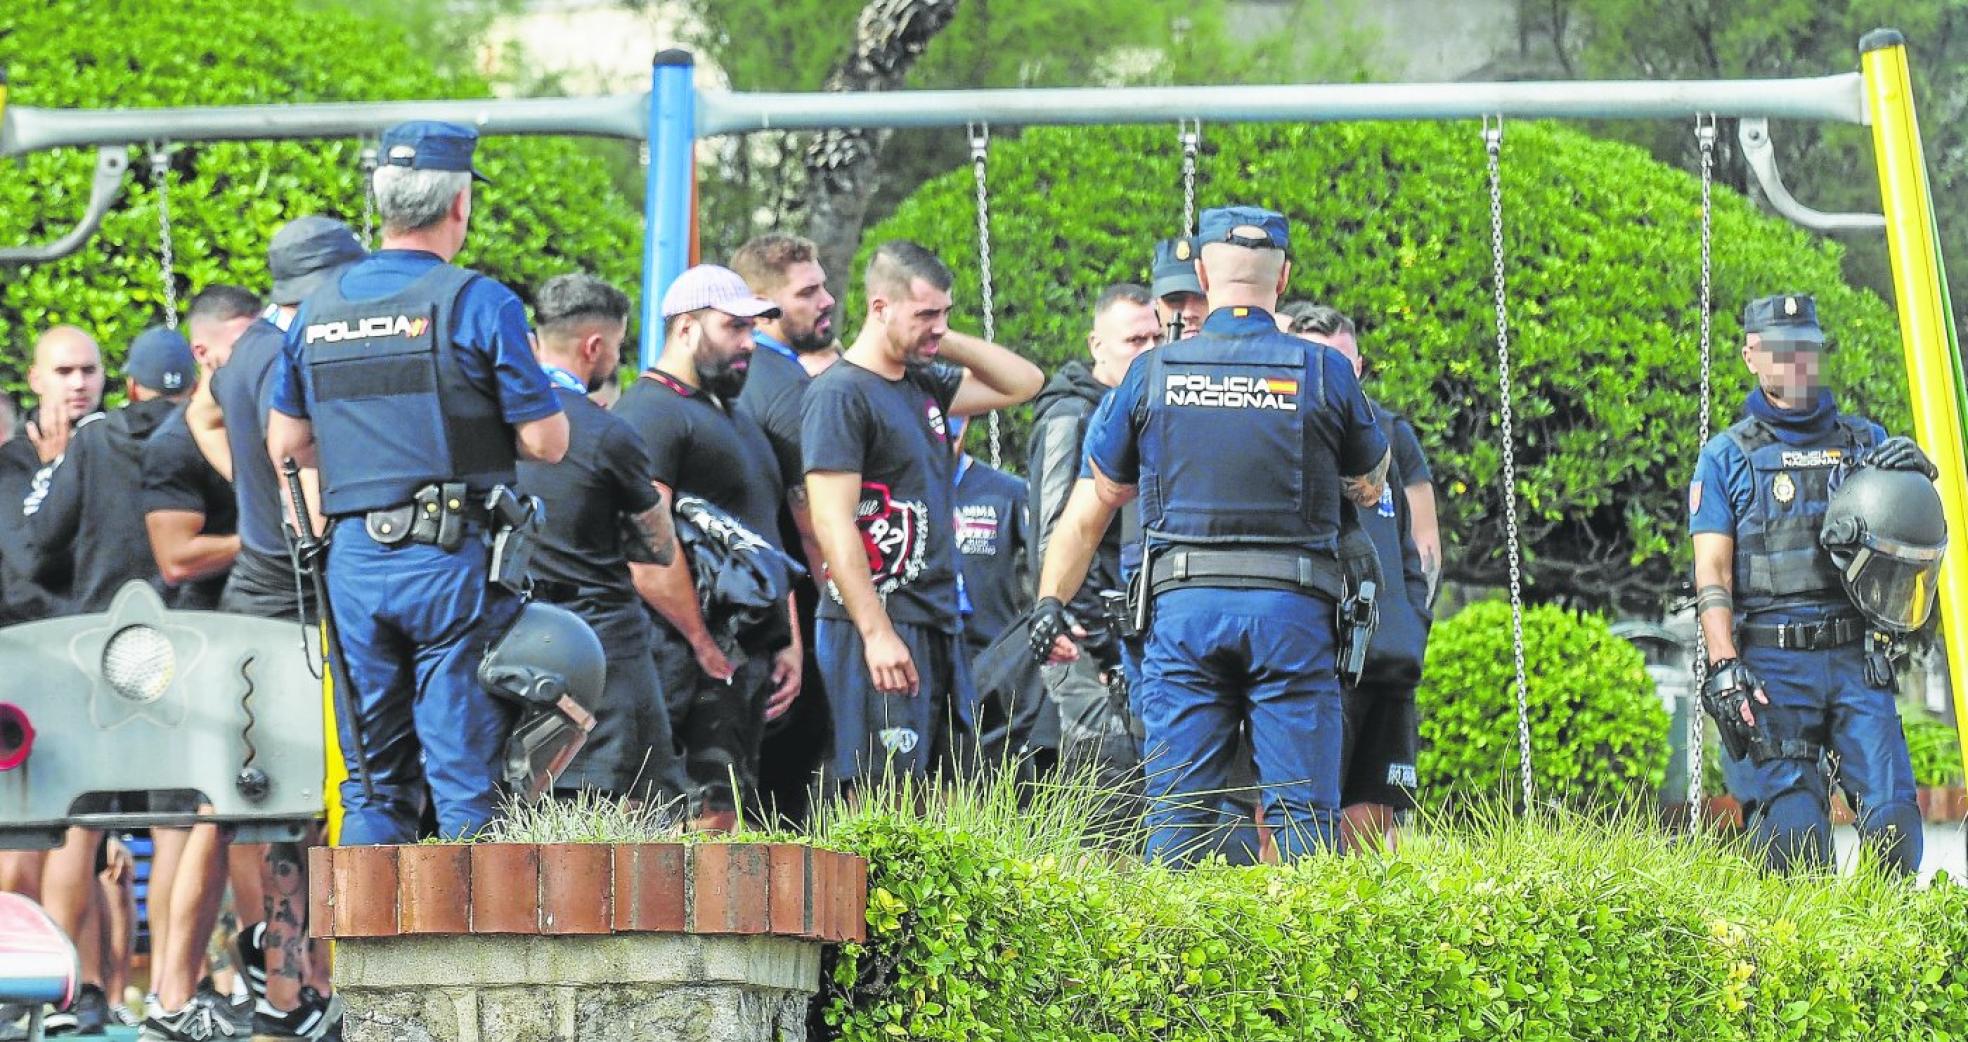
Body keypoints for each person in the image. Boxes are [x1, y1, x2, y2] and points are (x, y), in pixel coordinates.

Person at [1033, 206, 1390, 866]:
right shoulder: (1325, 371)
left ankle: (1169, 965)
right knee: (1301, 816)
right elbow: (1368, 482)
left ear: (1200, 275)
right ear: (1282, 279)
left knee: (1178, 815)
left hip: (1182, 617)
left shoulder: (1149, 373)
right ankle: (1306, 964)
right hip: (1293, 616)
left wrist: (1049, 600)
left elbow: (1090, 509)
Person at [266, 120, 570, 846]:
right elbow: (547, 442)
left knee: (371, 783)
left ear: (383, 202)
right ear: (459, 204)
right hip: (449, 563)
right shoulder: (477, 302)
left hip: (353, 565)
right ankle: (471, 958)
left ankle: (366, 959)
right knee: (468, 776)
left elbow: (287, 445)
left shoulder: (318, 309)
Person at [184, 217, 358, 1042]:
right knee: (330, 797)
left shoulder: (243, 350)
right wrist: (301, 519)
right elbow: (311, 478)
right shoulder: (308, 350)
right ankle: (317, 985)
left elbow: (205, 421)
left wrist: (251, 490)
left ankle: (285, 1000)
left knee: (274, 805)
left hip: (253, 598)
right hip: (305, 598)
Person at [1691, 293, 1929, 875]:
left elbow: (1917, 547)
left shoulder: (1867, 445)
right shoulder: (1726, 458)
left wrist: (1922, 481)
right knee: (1793, 846)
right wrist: (1723, 666)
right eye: (1780, 351)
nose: (1795, 363)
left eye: (1806, 350)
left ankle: (1886, 957)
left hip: (1855, 660)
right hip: (1771, 674)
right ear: (1752, 356)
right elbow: (1712, 574)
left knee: (1896, 829)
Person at [801, 240, 1043, 792]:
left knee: (940, 791)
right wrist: (875, 631)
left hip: (937, 617)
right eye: (925, 314)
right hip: (879, 618)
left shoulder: (923, 382)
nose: (938, 327)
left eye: (945, 313)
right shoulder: (839, 395)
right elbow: (832, 521)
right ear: (879, 308)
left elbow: (1025, 383)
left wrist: (938, 334)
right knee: (877, 792)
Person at [615, 264, 800, 831]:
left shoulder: (736, 417)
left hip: (742, 657)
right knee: (683, 820)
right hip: (678, 655)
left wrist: (787, 640)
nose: (749, 343)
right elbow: (645, 547)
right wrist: (700, 641)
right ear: (687, 328)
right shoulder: (651, 411)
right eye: (734, 328)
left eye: (753, 329)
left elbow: (763, 537)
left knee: (730, 814)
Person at [517, 273, 687, 805]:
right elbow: (658, 547)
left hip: (514, 641)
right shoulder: (608, 432)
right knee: (633, 810)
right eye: (616, 347)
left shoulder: (492, 420)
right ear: (594, 346)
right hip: (606, 649)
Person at [1288, 304, 1434, 854]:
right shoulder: (1279, 436)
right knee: (1290, 818)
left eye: (1343, 366)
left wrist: (1413, 621)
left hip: (1386, 665)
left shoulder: (1388, 436)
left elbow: (1420, 548)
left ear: (1361, 367)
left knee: (1372, 837)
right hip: (1312, 660)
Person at [1026, 283, 1161, 780]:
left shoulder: (1141, 408)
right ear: (1096, 345)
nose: (1148, 351)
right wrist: (1087, 631)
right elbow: (1055, 532)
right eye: (1134, 340)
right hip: (1081, 635)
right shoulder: (1072, 416)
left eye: (1156, 338)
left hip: (1125, 624)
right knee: (1104, 775)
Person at [731, 233, 837, 825]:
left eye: (822, 284)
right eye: (808, 292)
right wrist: (844, 604)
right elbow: (814, 520)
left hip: (741, 609)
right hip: (786, 612)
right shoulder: (790, 390)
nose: (827, 300)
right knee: (784, 796)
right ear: (763, 306)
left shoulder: (731, 383)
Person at [145, 286, 255, 610]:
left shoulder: (274, 417)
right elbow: (177, 560)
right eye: (241, 347)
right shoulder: (173, 446)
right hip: (212, 623)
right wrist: (265, 540)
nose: (257, 356)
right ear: (201, 352)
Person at [1150, 236, 1205, 342]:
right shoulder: (1142, 358)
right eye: (1174, 300)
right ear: (1157, 308)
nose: (1188, 313)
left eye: (1202, 297)